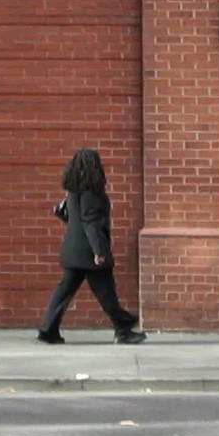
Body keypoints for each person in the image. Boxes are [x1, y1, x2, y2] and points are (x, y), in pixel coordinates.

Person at [38, 145, 146, 344]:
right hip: (89, 253)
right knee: (106, 292)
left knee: (64, 291)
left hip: (72, 251)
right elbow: (91, 222)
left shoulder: (73, 191)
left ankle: (48, 329)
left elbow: (69, 216)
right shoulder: (92, 192)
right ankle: (123, 328)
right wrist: (99, 251)